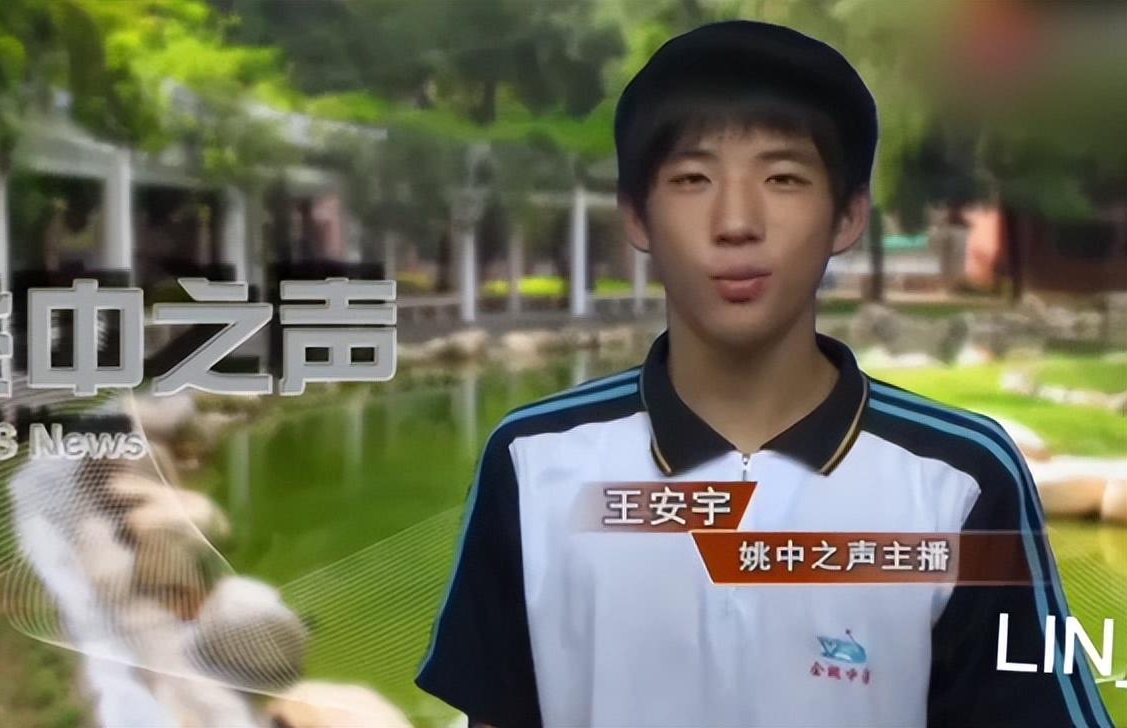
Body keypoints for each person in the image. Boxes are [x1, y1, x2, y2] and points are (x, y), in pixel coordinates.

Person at [414, 19, 1114, 728]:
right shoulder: (534, 463)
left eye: (783, 178)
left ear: (848, 215)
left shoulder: (961, 480)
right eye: (692, 179)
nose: (736, 222)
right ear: (637, 216)